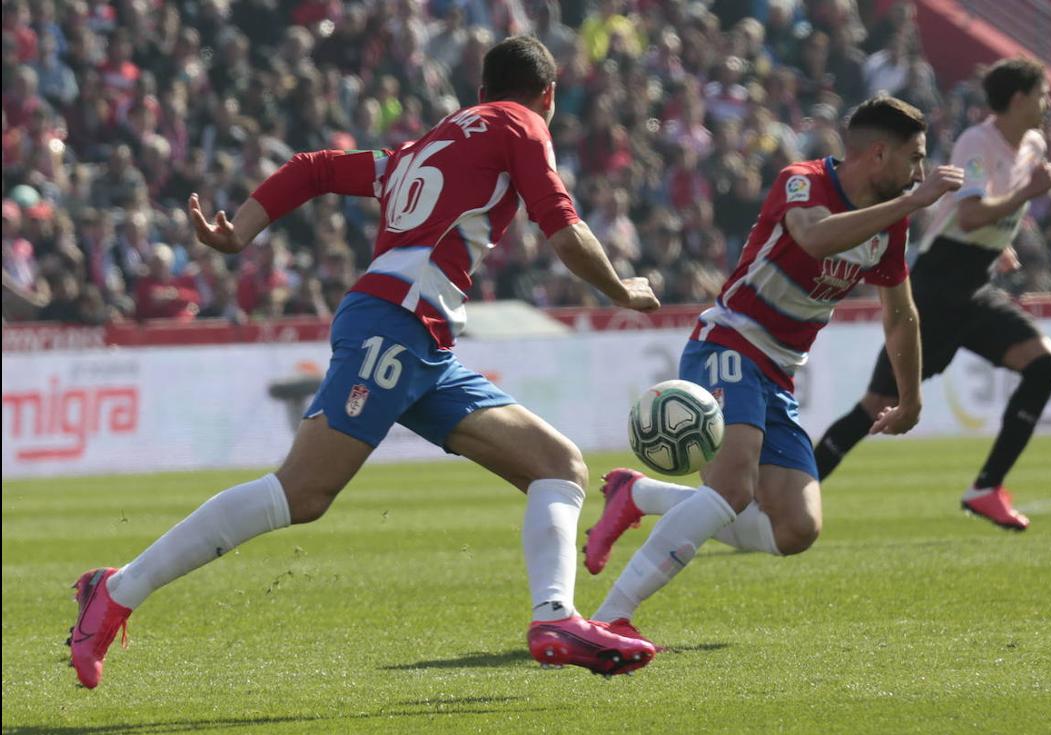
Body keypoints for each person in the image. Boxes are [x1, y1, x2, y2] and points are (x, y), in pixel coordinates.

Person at [66, 36, 661, 689]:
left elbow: (314, 167)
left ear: (481, 90)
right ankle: (116, 590)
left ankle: (555, 617)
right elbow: (563, 226)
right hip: (397, 322)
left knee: (559, 464)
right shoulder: (521, 124)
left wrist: (241, 229)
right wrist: (622, 291)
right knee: (302, 491)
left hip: (421, 337)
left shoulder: (422, 147)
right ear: (546, 96)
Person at [581, 96, 964, 642]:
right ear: (879, 154)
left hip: (779, 374)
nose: (921, 174)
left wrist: (911, 398)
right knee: (732, 489)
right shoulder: (802, 181)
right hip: (728, 343)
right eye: (915, 158)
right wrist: (912, 203)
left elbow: (900, 314)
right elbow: (813, 237)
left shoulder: (888, 225)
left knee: (796, 528)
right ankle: (609, 616)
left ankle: (639, 496)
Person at [812, 57, 1051, 531]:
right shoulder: (977, 142)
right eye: (1041, 94)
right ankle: (786, 492)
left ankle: (987, 487)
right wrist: (1026, 193)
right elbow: (968, 216)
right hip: (937, 284)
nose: (1047, 103)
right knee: (875, 407)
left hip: (974, 281)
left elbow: (987, 214)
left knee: (1043, 364)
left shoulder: (1033, 143)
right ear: (1017, 100)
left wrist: (1000, 244)